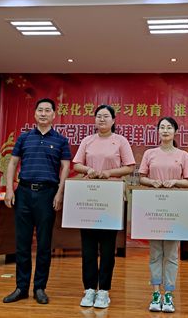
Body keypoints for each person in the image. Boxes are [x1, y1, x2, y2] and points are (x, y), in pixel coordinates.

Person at [3, 98, 71, 305]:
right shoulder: (24, 138)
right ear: (34, 114)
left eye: (47, 110)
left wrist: (59, 193)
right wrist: (9, 189)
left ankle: (40, 287)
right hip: (23, 192)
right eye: (40, 110)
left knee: (43, 244)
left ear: (54, 115)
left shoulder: (60, 140)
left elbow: (65, 168)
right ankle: (21, 287)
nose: (43, 113)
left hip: (47, 194)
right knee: (22, 243)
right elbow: (12, 163)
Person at [73, 104, 136, 309]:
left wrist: (109, 173)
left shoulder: (120, 141)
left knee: (108, 247)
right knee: (88, 246)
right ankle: (89, 289)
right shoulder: (87, 140)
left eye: (106, 116)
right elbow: (76, 164)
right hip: (89, 197)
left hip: (111, 197)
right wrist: (89, 169)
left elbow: (130, 166)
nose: (102, 119)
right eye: (98, 116)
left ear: (113, 120)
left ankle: (104, 291)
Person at [139, 117, 188, 313]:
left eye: (169, 127)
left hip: (174, 208)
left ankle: (168, 294)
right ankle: (156, 293)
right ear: (157, 131)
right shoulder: (149, 153)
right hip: (154, 207)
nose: (165, 130)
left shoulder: (183, 155)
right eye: (162, 127)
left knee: (171, 254)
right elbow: (142, 177)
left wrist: (175, 182)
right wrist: (151, 182)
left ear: (175, 131)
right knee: (155, 252)